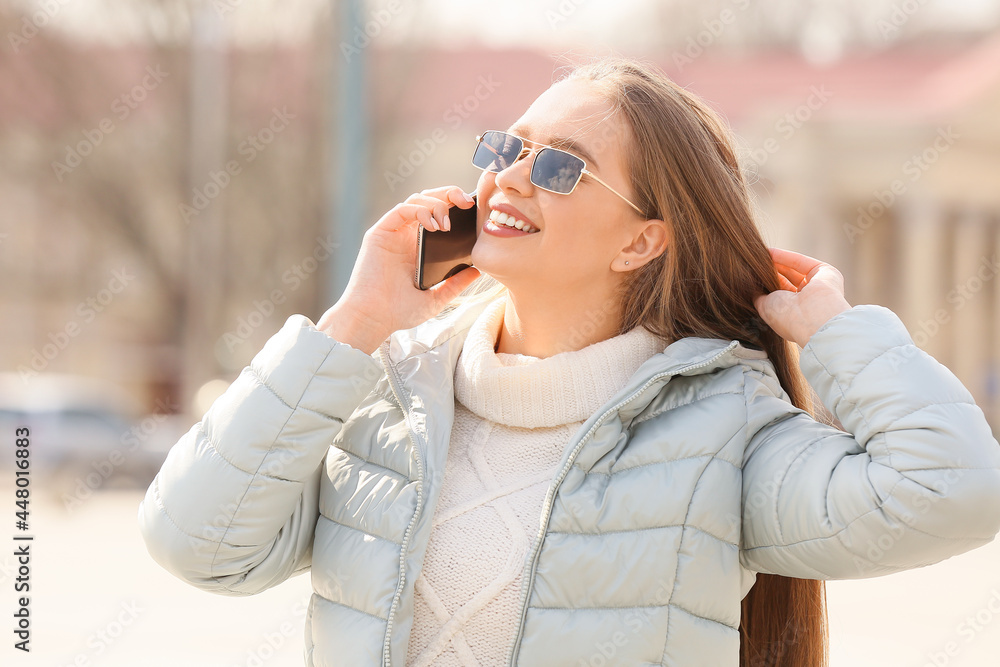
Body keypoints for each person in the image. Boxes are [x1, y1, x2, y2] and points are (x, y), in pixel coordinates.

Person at [137, 55, 1000, 667]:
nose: (511, 177)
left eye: (559, 167)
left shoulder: (722, 433)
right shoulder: (386, 397)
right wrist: (355, 320)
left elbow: (952, 490)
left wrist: (839, 332)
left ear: (643, 241)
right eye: (506, 148)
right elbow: (196, 542)